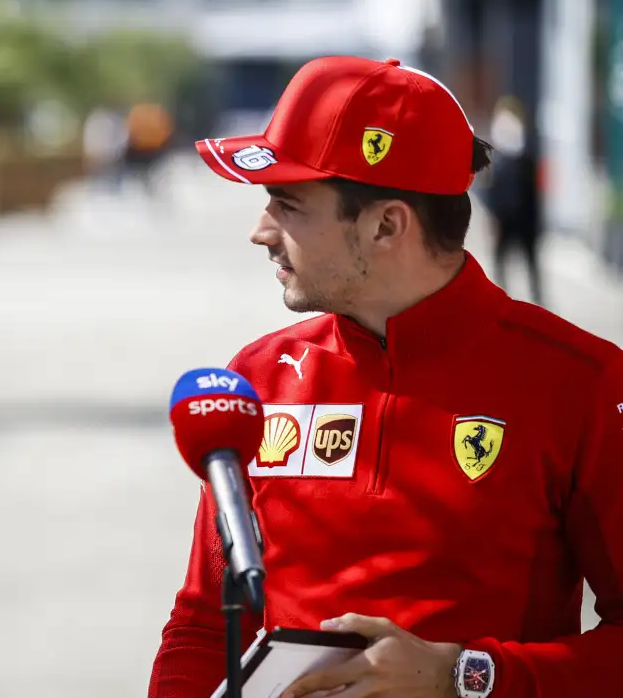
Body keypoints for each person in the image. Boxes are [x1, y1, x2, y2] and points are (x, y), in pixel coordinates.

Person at [149, 56, 623, 698]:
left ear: (385, 226)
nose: (260, 232)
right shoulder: (254, 380)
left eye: (286, 205)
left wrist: (465, 677)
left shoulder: (581, 382)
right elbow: (206, 627)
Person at [481, 95, 543, 306]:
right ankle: (500, 303)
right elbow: (491, 189)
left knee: (530, 265)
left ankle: (537, 303)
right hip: (505, 217)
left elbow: (534, 192)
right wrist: (493, 217)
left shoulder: (526, 156)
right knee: (501, 265)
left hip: (524, 218)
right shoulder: (496, 156)